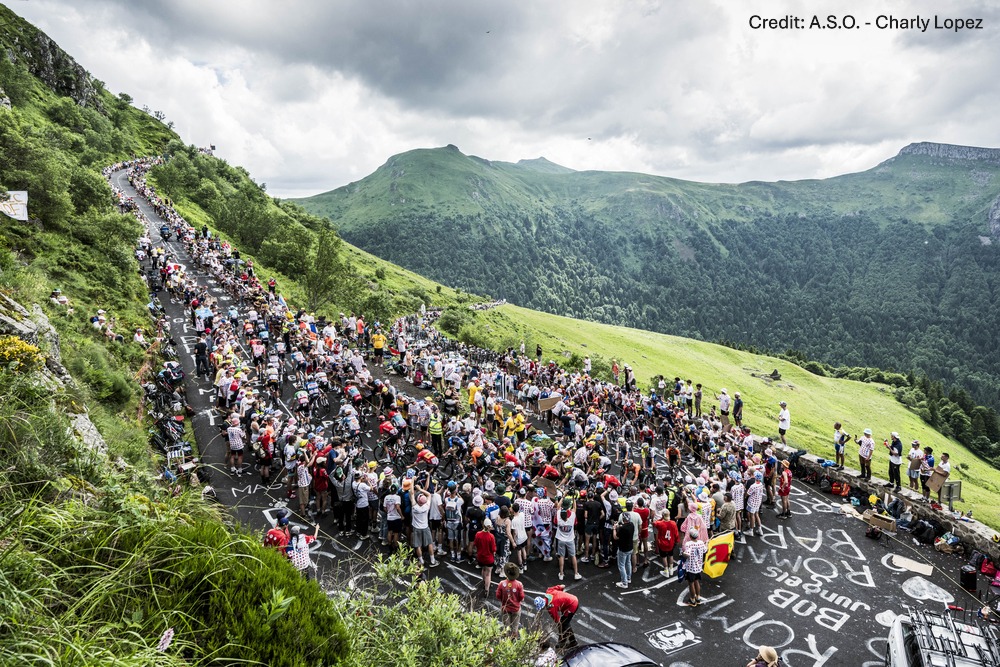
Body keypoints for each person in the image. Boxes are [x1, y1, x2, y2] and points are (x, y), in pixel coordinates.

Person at [410, 484, 439, 567]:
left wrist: (413, 481)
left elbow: (412, 493)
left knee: (417, 545)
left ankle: (421, 560)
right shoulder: (426, 506)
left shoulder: (415, 507)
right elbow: (429, 494)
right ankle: (432, 560)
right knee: (430, 543)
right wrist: (421, 489)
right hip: (425, 527)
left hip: (416, 528)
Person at [554, 498, 582, 581]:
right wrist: (574, 500)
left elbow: (558, 507)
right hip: (570, 539)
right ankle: (576, 573)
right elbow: (574, 508)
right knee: (573, 556)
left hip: (561, 539)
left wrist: (563, 496)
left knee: (561, 556)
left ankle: (561, 574)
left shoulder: (559, 515)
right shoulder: (572, 516)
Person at [496, 562, 524, 637]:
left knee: (506, 628)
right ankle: (514, 640)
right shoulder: (519, 584)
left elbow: (498, 596)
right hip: (516, 608)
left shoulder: (502, 583)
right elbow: (521, 597)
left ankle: (507, 643)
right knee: (515, 628)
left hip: (505, 608)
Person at [682, 527, 707, 606]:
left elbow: (687, 555)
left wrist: (683, 553)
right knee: (697, 581)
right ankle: (698, 597)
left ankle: (692, 599)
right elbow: (705, 550)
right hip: (699, 566)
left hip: (690, 567)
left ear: (690, 536)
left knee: (691, 583)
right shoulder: (701, 542)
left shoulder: (688, 544)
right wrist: (706, 543)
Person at [613, 504, 635, 589]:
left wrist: (614, 528)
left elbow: (615, 537)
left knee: (621, 565)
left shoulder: (622, 529)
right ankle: (628, 578)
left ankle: (624, 582)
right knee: (628, 562)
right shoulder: (631, 525)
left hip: (623, 548)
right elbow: (624, 526)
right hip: (630, 547)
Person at [474, 518, 497, 595]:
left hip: (480, 557)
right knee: (488, 573)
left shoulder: (478, 534)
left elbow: (476, 544)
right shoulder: (491, 536)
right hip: (489, 558)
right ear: (490, 527)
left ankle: (484, 582)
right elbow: (493, 549)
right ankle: (486, 590)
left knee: (483, 570)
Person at [652, 510, 678, 576]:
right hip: (671, 543)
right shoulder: (673, 523)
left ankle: (666, 571)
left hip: (662, 543)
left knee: (664, 557)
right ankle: (671, 570)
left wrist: (661, 518)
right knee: (671, 555)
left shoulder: (660, 524)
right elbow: (676, 534)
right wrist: (677, 541)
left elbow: (654, 523)